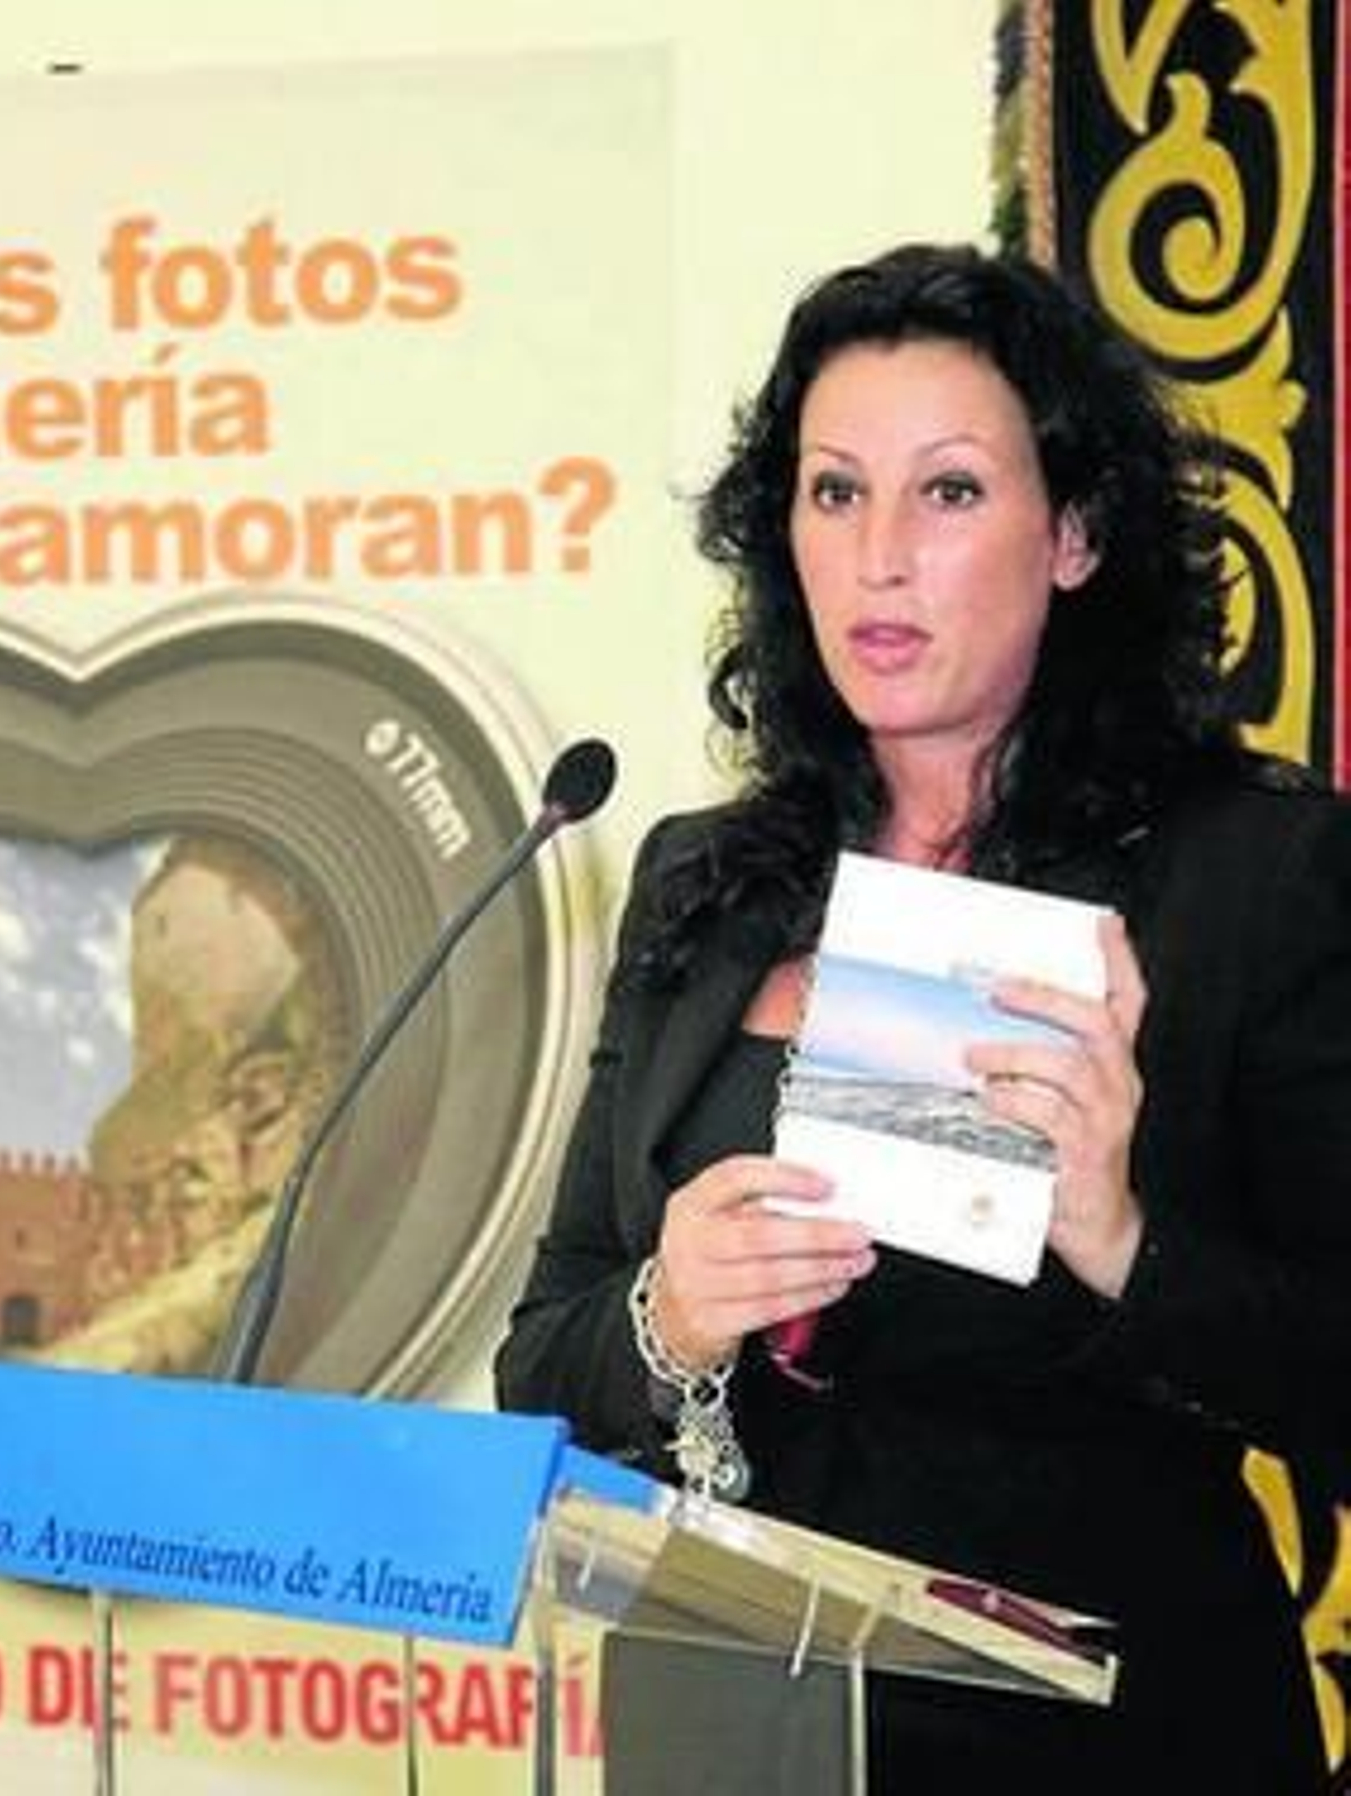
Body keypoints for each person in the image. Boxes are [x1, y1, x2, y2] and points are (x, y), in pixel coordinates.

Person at [494, 242, 1351, 1793]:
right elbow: (543, 1361)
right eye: (835, 492)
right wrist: (669, 1315)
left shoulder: (1252, 879)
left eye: (948, 491)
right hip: (732, 1727)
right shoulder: (707, 882)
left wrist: (1119, 1240)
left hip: (1106, 1744)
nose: (879, 557)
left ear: (1075, 533)